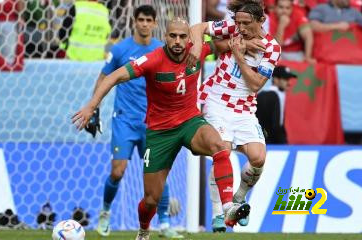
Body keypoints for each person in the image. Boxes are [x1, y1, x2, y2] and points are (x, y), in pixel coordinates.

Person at [72, 18, 250, 240]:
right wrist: (91, 106)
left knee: (220, 145)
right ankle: (144, 231)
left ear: (189, 38)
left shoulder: (198, 50)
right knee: (151, 199)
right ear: (164, 37)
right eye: (173, 36)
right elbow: (114, 76)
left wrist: (251, 41)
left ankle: (227, 208)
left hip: (190, 122)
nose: (177, 41)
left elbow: (229, 43)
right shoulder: (152, 60)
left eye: (183, 36)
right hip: (160, 132)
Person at [86, 5, 183, 238]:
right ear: (134, 21)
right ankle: (106, 214)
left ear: (155, 23)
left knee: (158, 174)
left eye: (149, 20)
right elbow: (104, 77)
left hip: (153, 123)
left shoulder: (162, 49)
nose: (144, 24)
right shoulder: (120, 49)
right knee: (118, 171)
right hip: (124, 121)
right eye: (141, 19)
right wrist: (94, 108)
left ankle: (164, 225)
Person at [189, 0, 281, 230]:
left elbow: (256, 84)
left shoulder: (271, 48)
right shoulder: (233, 28)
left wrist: (238, 54)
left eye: (246, 23)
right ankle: (219, 213)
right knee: (222, 150)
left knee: (258, 159)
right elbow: (197, 28)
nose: (240, 27)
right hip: (216, 100)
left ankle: (239, 197)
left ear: (261, 21)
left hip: (245, 108)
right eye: (238, 22)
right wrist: (197, 47)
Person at [256, 65, 296, 144]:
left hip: (274, 139)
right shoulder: (268, 96)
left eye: (289, 79)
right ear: (276, 79)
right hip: (269, 141)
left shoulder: (280, 94)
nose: (289, 82)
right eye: (285, 79)